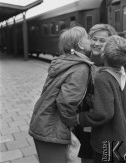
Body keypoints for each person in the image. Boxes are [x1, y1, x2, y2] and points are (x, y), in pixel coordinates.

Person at [28, 26, 94, 163]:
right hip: (52, 128)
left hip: (42, 121)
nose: (91, 41)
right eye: (87, 37)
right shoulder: (81, 67)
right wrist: (72, 123)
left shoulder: (63, 62)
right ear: (80, 44)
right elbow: (66, 101)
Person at [78, 35, 126, 163]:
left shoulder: (103, 78)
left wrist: (80, 117)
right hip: (122, 139)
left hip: (106, 143)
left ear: (103, 55)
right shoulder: (125, 75)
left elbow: (103, 113)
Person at [73, 24, 118, 163]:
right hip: (85, 122)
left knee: (107, 156)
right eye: (94, 39)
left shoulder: (115, 64)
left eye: (102, 40)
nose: (96, 44)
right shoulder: (81, 61)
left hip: (107, 125)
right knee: (87, 156)